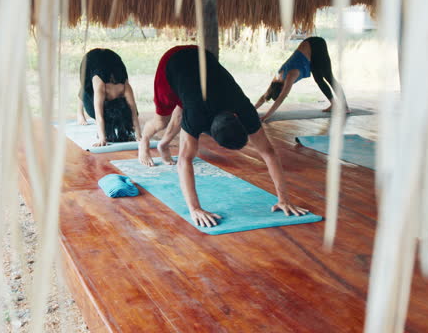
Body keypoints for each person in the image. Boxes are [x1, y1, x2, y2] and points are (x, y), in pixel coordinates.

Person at [138, 45, 308, 227]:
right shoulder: (197, 114)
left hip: (200, 57)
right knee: (161, 122)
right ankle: (144, 141)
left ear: (238, 117)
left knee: (182, 113)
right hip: (172, 63)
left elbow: (269, 153)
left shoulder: (244, 110)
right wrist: (195, 208)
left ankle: (163, 145)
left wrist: (284, 199)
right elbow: (183, 161)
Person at [255, 36, 349, 122]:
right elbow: (264, 96)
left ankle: (345, 107)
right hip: (309, 53)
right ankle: (333, 104)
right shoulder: (276, 80)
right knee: (318, 80)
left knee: (328, 77)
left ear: (281, 88)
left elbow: (281, 98)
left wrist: (266, 116)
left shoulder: (291, 75)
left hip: (316, 44)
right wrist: (252, 110)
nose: (285, 93)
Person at [77, 48, 142, 146]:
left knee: (131, 112)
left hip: (113, 59)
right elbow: (99, 115)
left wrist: (139, 136)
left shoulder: (125, 88)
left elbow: (133, 113)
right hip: (90, 61)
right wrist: (102, 138)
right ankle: (79, 112)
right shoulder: (101, 88)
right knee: (87, 91)